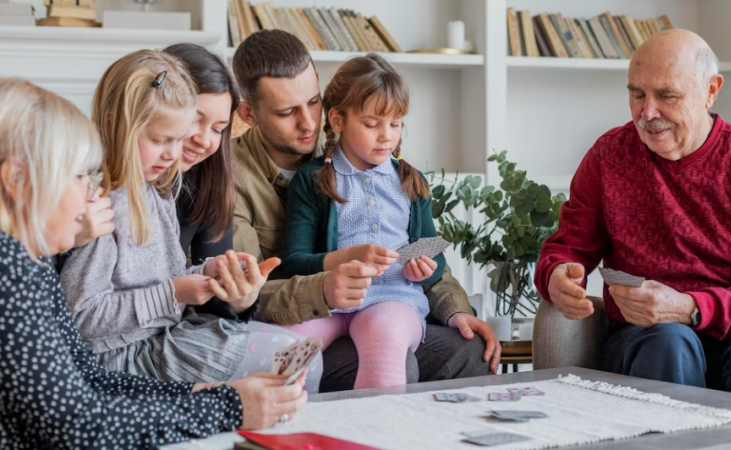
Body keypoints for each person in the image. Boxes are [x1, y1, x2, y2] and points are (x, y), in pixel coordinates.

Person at [0, 77, 307, 449]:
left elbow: (91, 377)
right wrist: (226, 406)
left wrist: (201, 393)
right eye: (77, 176)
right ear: (16, 179)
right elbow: (75, 424)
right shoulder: (10, 273)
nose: (89, 191)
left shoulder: (28, 264)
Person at [534, 29, 731, 402]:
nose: (648, 112)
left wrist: (691, 308)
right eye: (637, 94)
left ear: (711, 91)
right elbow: (566, 249)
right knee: (670, 342)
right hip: (645, 337)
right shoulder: (609, 156)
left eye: (667, 95)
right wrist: (557, 276)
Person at [231, 29, 500, 391]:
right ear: (248, 114)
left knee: (469, 350)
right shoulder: (233, 179)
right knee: (285, 351)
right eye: (286, 112)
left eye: (313, 103)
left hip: (390, 303)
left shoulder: (396, 174)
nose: (310, 123)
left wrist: (457, 310)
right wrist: (326, 286)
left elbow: (429, 253)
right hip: (311, 308)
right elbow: (245, 296)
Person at [58, 49, 321, 391]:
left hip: (160, 338)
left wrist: (206, 274)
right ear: (117, 124)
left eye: (177, 139)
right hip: (121, 355)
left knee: (303, 357)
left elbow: (160, 280)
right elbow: (82, 319)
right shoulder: (101, 207)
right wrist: (176, 292)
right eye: (160, 139)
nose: (173, 153)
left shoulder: (157, 190)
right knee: (295, 362)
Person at [278, 54, 444, 389]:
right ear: (337, 120)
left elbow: (436, 259)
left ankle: (373, 438)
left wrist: (426, 267)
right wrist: (344, 260)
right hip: (327, 301)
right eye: (372, 125)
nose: (386, 137)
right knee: (284, 351)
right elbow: (293, 262)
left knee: (385, 338)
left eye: (395, 124)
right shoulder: (313, 180)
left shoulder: (412, 182)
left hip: (393, 299)